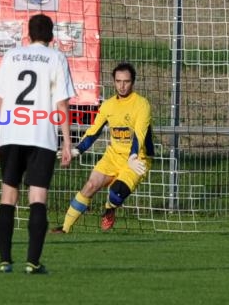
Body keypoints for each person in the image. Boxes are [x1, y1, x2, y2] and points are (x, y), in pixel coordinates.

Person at [0, 14, 76, 274]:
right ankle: (33, 262)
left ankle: (5, 260)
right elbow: (61, 105)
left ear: (27, 35)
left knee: (8, 196)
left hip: (11, 134)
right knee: (37, 198)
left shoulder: (11, 56)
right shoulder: (56, 57)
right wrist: (67, 143)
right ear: (51, 37)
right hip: (41, 136)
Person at [51, 61, 154, 234]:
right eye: (118, 81)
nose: (122, 86)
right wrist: (77, 150)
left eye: (126, 81)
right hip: (113, 156)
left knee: (116, 193)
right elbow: (93, 131)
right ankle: (65, 229)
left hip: (137, 159)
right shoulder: (108, 105)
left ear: (133, 82)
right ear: (113, 81)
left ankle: (109, 209)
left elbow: (139, 135)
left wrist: (133, 156)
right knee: (90, 185)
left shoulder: (142, 104)